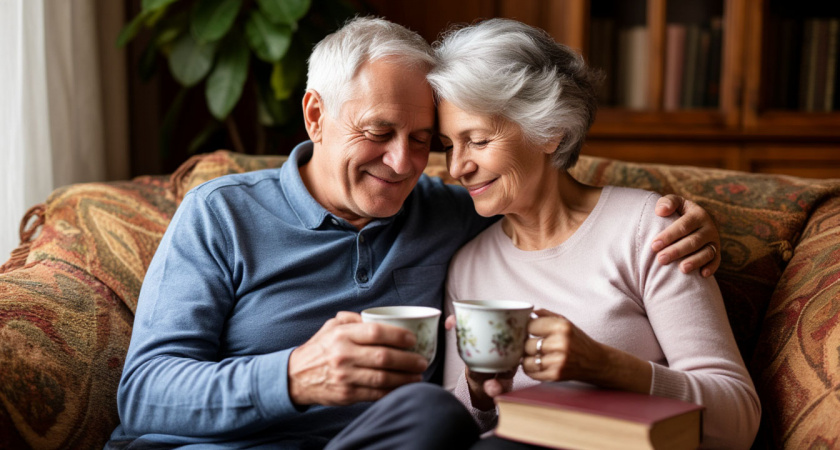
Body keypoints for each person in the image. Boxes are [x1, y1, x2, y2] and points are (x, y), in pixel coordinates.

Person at [107, 16, 723, 449]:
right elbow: (142, 394)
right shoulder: (222, 214)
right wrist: (294, 374)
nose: (406, 164)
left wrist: (688, 221)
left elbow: (539, 200)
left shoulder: (454, 213)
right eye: (378, 132)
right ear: (315, 114)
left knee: (431, 415)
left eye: (428, 141)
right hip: (215, 448)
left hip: (372, 441)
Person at [431, 18, 760, 450]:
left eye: (476, 140)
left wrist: (605, 366)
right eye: (449, 145)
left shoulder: (650, 228)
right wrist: (476, 389)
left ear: (549, 131)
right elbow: (458, 429)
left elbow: (739, 420)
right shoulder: (469, 264)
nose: (457, 168)